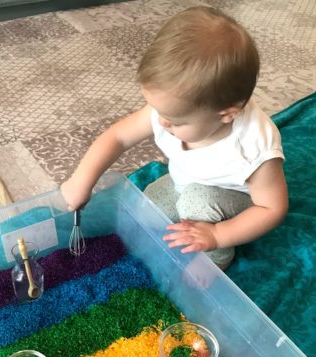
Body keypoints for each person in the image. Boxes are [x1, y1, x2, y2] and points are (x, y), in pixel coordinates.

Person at [61, 6, 288, 270]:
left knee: (196, 202)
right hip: (184, 182)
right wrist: (81, 180)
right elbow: (118, 137)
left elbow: (271, 209)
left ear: (226, 114)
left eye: (176, 120)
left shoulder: (253, 146)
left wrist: (217, 236)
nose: (161, 121)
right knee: (146, 209)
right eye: (158, 110)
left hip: (231, 201)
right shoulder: (168, 110)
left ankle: (215, 260)